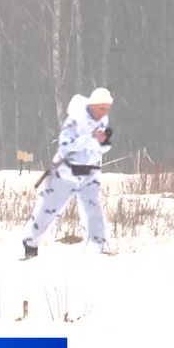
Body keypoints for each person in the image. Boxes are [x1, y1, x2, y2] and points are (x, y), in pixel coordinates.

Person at [21, 87, 115, 259]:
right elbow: (65, 147)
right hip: (65, 173)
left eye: (107, 109)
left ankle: (99, 247)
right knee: (48, 210)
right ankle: (30, 242)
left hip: (90, 173)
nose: (104, 113)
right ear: (93, 105)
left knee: (94, 212)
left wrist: (103, 142)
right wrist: (92, 139)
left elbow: (102, 148)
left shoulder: (102, 121)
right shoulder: (75, 121)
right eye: (102, 108)